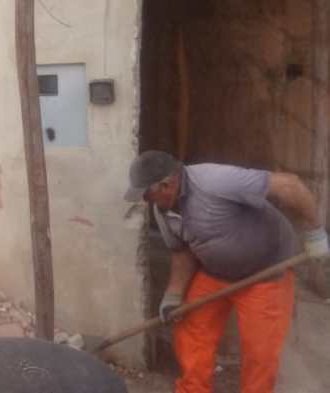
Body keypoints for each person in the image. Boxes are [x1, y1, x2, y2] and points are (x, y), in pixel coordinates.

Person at [124, 151, 329, 393]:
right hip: (215, 273)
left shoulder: (215, 181)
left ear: (166, 184)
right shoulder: (163, 211)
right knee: (191, 329)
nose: (146, 201)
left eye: (146, 194)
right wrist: (173, 294)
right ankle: (193, 389)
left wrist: (315, 232)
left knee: (260, 350)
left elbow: (289, 185)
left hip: (265, 274)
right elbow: (182, 251)